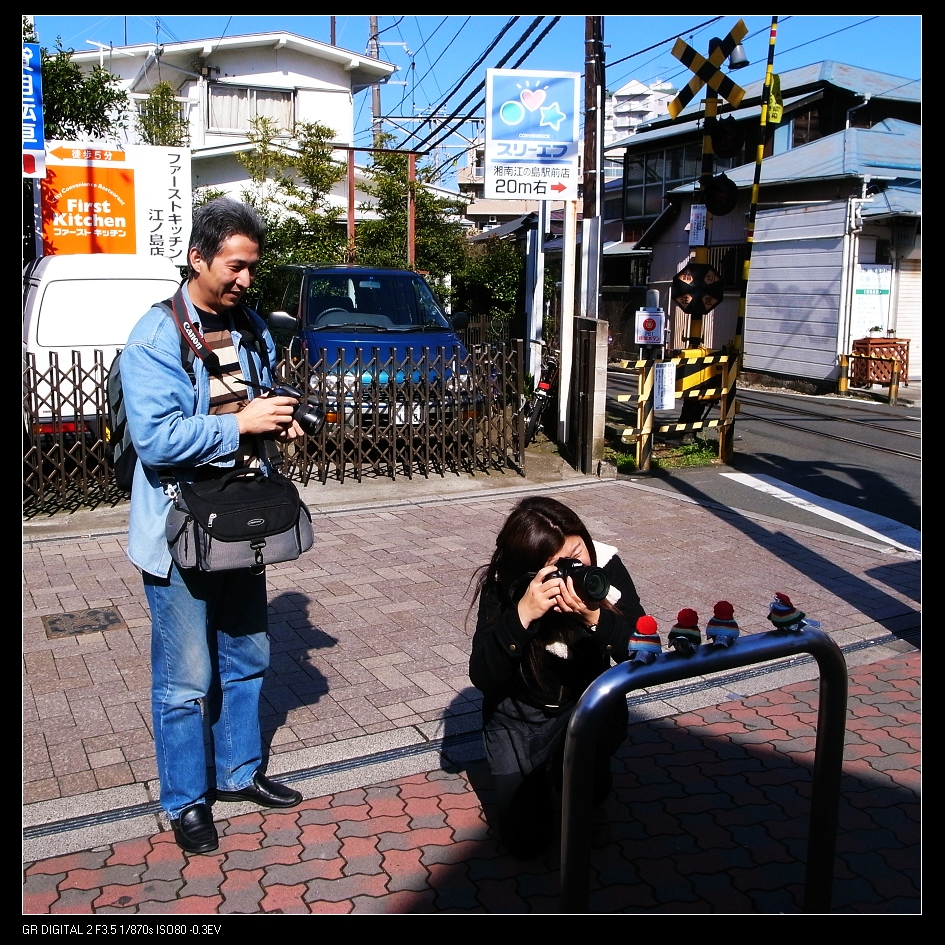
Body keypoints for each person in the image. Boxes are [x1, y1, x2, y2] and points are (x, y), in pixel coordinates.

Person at [122, 198, 306, 855]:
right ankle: (185, 800)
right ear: (198, 259)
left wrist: (279, 417)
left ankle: (236, 773)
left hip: (237, 521)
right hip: (177, 532)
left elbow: (256, 399)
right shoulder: (155, 335)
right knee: (184, 679)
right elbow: (156, 440)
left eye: (252, 268)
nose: (245, 280)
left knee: (249, 655)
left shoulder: (252, 327)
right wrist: (240, 424)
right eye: (235, 266)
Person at [469, 496, 646, 858]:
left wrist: (596, 620)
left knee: (584, 795)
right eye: (558, 566)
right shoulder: (507, 583)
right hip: (519, 714)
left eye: (578, 553)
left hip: (584, 705)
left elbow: (640, 647)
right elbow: (482, 675)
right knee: (527, 843)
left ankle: (587, 791)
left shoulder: (604, 566)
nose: (575, 568)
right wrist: (521, 616)